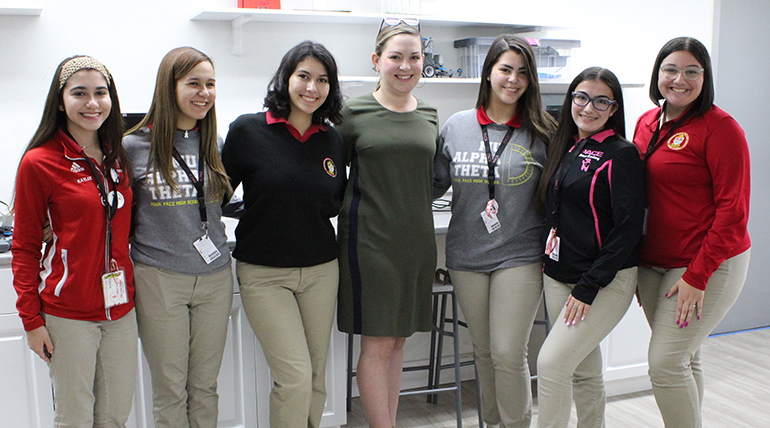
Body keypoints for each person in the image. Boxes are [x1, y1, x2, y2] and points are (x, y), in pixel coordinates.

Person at [433, 34, 555, 428]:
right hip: (466, 255)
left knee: (507, 352)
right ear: (488, 73)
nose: (513, 79)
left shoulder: (544, 131)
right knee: (483, 352)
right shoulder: (457, 126)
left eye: (522, 72)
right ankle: (493, 423)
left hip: (519, 254)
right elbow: (431, 185)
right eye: (505, 69)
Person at [221, 41, 345, 428]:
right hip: (265, 273)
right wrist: (259, 210)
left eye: (322, 80)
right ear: (286, 79)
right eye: (303, 76)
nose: (312, 88)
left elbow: (332, 203)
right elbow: (220, 195)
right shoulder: (248, 130)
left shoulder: (332, 139)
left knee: (315, 375)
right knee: (293, 375)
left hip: (322, 270)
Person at [632, 37, 750, 428]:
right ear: (657, 74)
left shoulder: (721, 128)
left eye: (691, 71)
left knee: (665, 364)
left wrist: (697, 277)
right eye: (671, 69)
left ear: (705, 77)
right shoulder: (647, 122)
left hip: (707, 263)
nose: (679, 79)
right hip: (653, 263)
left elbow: (733, 212)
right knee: (686, 358)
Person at [13, 55, 137, 427]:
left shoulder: (119, 156)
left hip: (121, 311)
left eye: (101, 93)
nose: (92, 103)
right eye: (79, 93)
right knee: (75, 418)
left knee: (115, 415)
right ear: (60, 100)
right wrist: (31, 321)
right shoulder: (40, 162)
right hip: (68, 315)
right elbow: (25, 246)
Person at [335, 18, 439, 428]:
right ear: (377, 60)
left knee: (398, 341)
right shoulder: (353, 112)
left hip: (416, 242)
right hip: (369, 243)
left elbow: (429, 177)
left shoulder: (429, 113)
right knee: (378, 342)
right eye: (395, 56)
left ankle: (388, 422)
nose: (405, 65)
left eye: (414, 57)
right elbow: (328, 172)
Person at [123, 47, 234, 428]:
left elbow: (229, 203)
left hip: (216, 277)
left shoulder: (215, 146)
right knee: (170, 390)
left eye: (210, 84)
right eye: (193, 84)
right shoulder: (132, 146)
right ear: (168, 88)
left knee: (205, 387)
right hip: (160, 278)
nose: (204, 93)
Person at [535, 67, 645, 428]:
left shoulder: (622, 154)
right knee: (582, 366)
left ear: (613, 109)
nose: (588, 107)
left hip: (602, 282)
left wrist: (588, 285)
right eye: (581, 97)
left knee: (551, 363)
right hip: (558, 274)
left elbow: (628, 230)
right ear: (570, 100)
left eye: (601, 101)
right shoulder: (566, 145)